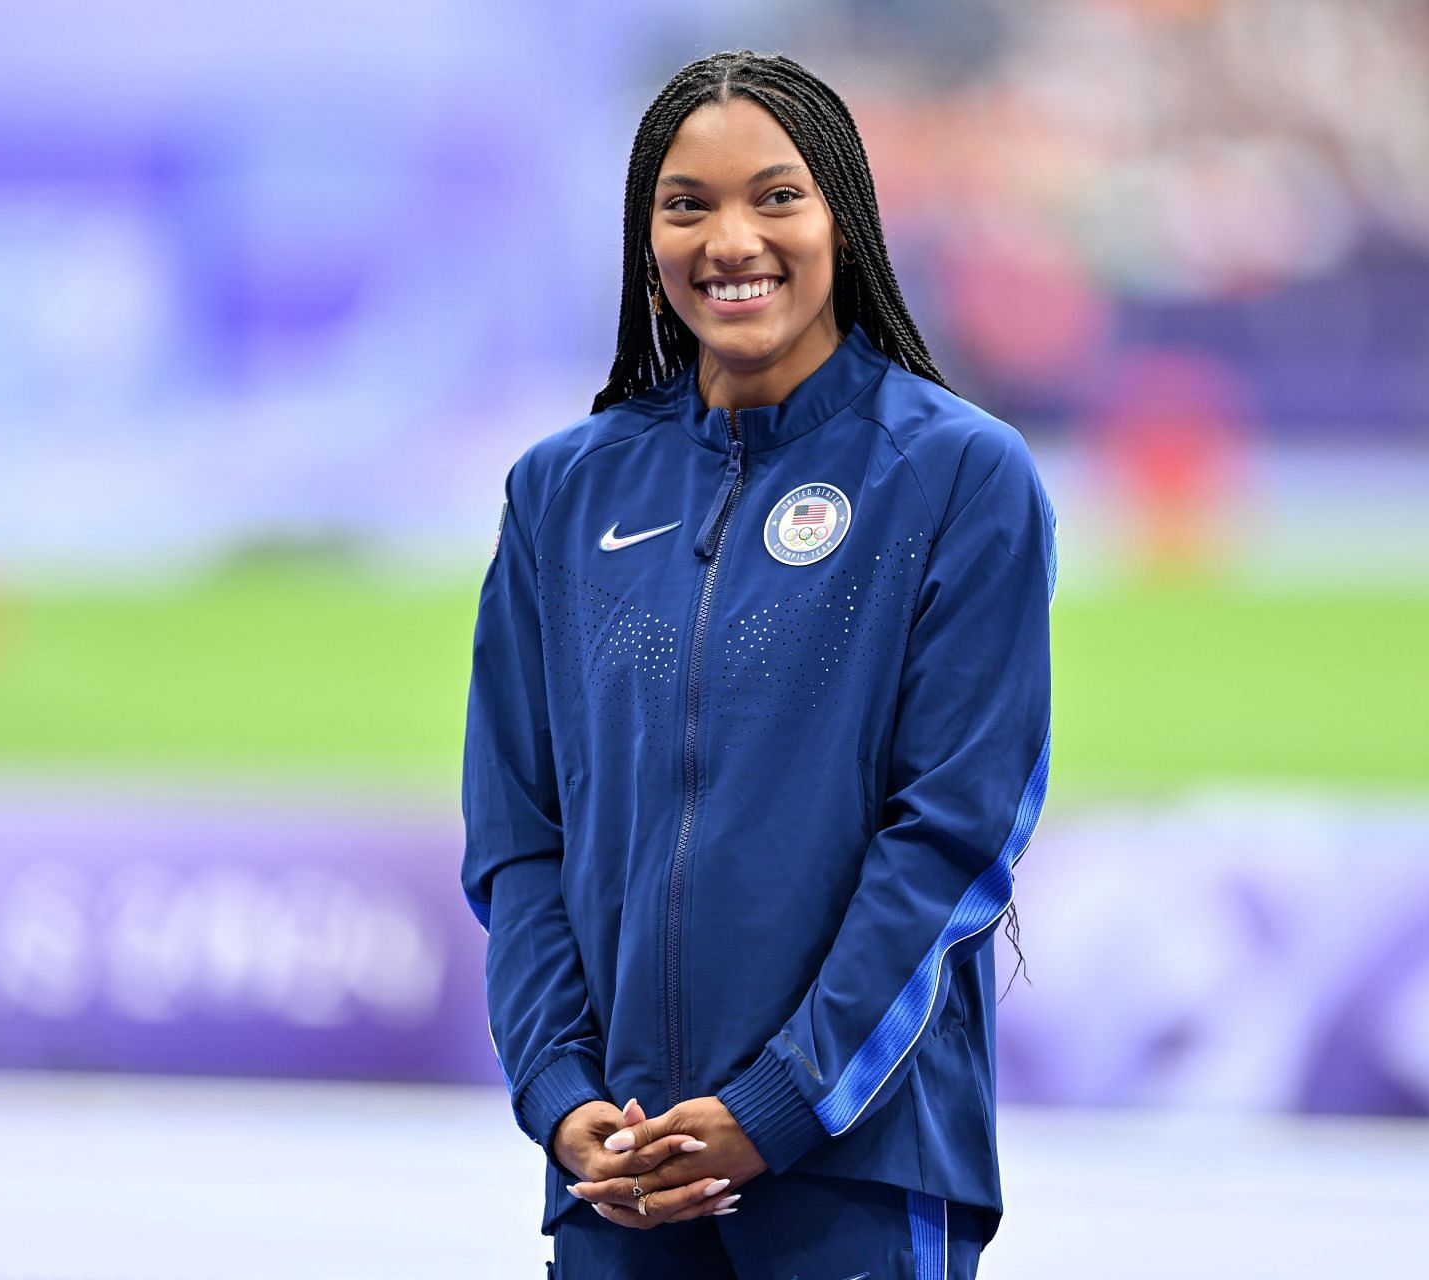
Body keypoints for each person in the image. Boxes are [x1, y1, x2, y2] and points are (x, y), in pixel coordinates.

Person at [461, 49, 1057, 1279]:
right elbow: (518, 838)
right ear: (648, 235)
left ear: (845, 215)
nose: (733, 239)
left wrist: (778, 1106)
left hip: (856, 1164)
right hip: (620, 1176)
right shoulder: (561, 494)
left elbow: (951, 839)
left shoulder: (958, 477)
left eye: (777, 196)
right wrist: (563, 1097)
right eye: (689, 205)